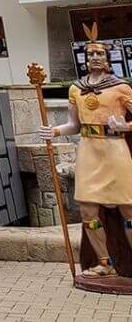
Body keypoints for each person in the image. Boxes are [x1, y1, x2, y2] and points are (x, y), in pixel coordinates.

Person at [39, 24, 132, 278]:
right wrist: (54, 131)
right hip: (89, 151)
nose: (95, 57)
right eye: (90, 54)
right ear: (85, 58)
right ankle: (104, 262)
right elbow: (74, 125)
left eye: (100, 53)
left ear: (108, 58)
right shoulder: (76, 88)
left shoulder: (121, 87)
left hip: (114, 149)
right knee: (88, 211)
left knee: (128, 209)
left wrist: (125, 125)